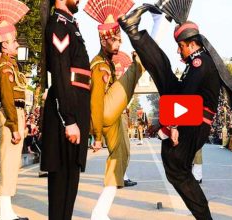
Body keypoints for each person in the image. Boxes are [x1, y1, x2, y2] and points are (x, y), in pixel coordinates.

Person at [118, 4, 232, 219]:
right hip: (192, 118)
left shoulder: (199, 62)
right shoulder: (198, 61)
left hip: (194, 123)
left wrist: (174, 126)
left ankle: (204, 217)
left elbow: (187, 95)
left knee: (176, 168)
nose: (179, 51)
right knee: (164, 72)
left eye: (181, 46)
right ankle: (134, 31)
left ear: (192, 44)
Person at [84, 0, 143, 218]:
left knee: (121, 155)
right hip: (104, 113)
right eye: (114, 40)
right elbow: (96, 101)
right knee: (137, 66)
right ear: (102, 40)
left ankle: (100, 212)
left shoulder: (108, 62)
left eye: (119, 39)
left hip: (111, 115)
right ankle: (144, 52)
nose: (118, 44)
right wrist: (97, 136)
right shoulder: (99, 65)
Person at [40, 0, 91, 219]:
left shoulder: (70, 24)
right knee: (62, 187)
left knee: (70, 184)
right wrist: (69, 119)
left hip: (75, 108)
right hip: (65, 114)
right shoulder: (59, 24)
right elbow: (61, 72)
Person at [0, 0, 29, 219]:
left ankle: (8, 211)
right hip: (11, 116)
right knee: (7, 164)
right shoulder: (4, 68)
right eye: (13, 42)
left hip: (16, 116)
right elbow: (8, 99)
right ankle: (4, 213)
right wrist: (14, 126)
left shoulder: (11, 65)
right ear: (4, 44)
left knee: (12, 165)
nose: (16, 45)